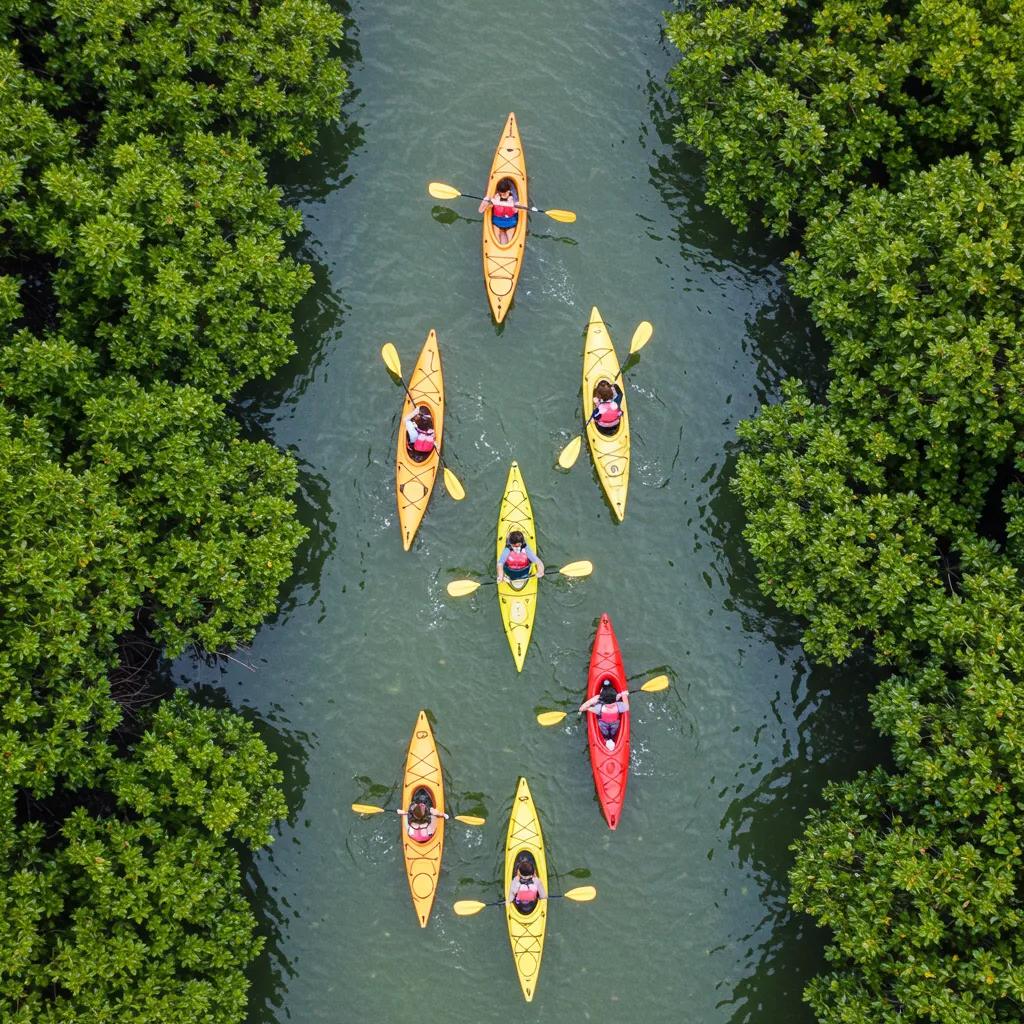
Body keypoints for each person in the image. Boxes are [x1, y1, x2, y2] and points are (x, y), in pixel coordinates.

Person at [579, 679, 630, 751]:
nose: (610, 706)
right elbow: (627, 707)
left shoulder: (599, 708)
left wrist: (587, 707)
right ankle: (612, 739)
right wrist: (624, 695)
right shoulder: (619, 706)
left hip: (603, 724)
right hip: (615, 724)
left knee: (604, 733)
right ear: (615, 700)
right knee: (613, 732)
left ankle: (606, 739)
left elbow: (583, 708)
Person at [478, 177, 520, 244]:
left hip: (510, 222)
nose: (502, 195)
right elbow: (480, 211)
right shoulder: (496, 198)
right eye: (501, 194)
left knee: (510, 242)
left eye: (504, 194)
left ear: (509, 191)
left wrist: (515, 205)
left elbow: (515, 211)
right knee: (496, 242)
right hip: (497, 222)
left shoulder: (513, 200)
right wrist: (485, 202)